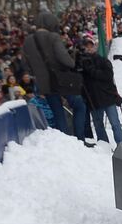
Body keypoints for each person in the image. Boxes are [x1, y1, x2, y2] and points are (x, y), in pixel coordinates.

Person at [21, 11, 89, 141]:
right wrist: (72, 58)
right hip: (61, 79)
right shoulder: (53, 37)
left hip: (43, 83)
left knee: (58, 112)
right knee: (79, 105)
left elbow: (25, 64)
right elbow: (66, 61)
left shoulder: (28, 40)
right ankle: (80, 140)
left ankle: (64, 142)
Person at [77, 38, 122, 145]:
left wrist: (91, 71)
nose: (89, 48)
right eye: (86, 46)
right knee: (98, 125)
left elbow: (108, 76)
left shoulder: (103, 60)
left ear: (95, 46)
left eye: (91, 45)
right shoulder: (81, 63)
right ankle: (105, 146)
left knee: (115, 124)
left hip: (107, 97)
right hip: (93, 99)